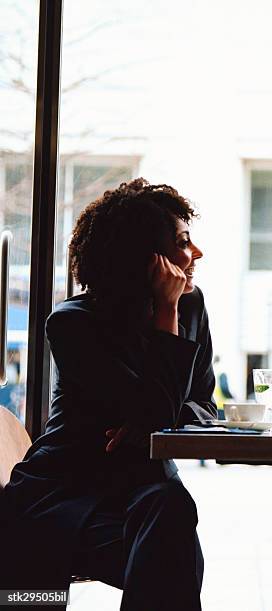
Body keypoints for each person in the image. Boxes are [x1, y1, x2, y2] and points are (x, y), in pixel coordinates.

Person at [0, 179, 216, 610]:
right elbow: (159, 412)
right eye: (182, 241)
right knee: (169, 549)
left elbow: (201, 405)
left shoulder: (192, 305)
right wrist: (166, 313)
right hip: (62, 492)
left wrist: (150, 421)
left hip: (139, 495)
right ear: (146, 256)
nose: (197, 253)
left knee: (170, 511)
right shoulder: (72, 323)